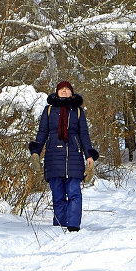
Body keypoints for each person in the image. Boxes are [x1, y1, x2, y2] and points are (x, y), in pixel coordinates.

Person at [28, 80, 99, 231]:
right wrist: (36, 152)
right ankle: (60, 225)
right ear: (57, 92)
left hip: (74, 156)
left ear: (72, 93)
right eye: (62, 89)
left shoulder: (78, 111)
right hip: (53, 157)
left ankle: (73, 225)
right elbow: (42, 133)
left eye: (68, 89)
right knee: (58, 195)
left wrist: (90, 157)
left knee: (74, 192)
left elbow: (84, 135)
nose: (65, 91)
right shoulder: (49, 110)